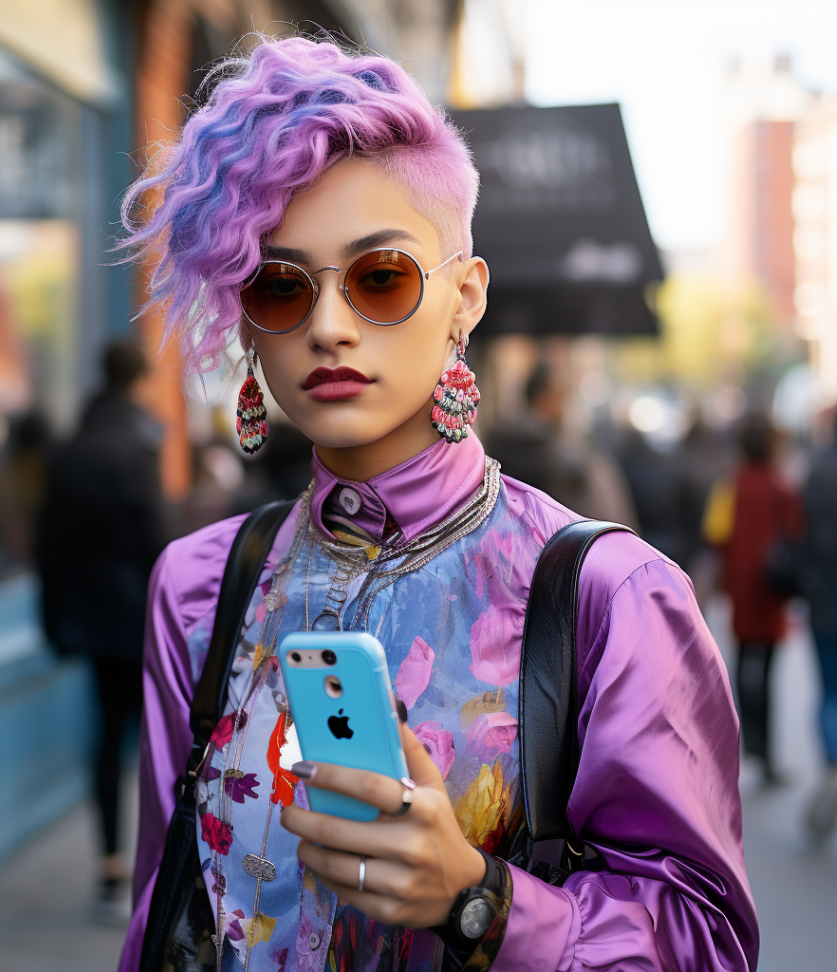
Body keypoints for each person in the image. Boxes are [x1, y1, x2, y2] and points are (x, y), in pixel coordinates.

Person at [118, 36, 757, 971]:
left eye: (379, 278)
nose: (329, 327)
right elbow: (161, 908)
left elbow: (706, 943)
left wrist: (479, 900)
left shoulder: (610, 596)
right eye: (280, 286)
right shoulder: (201, 586)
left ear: (464, 298)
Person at [37, 339, 166, 920]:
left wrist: (54, 619)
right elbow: (158, 547)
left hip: (88, 618)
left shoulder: (69, 451)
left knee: (107, 736)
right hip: (139, 618)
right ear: (138, 382)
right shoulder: (137, 449)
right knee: (157, 742)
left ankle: (111, 865)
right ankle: (156, 865)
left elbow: (47, 546)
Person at [704, 414, 804, 785]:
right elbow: (796, 536)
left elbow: (716, 534)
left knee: (743, 661)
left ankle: (748, 744)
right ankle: (766, 751)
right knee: (769, 671)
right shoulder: (783, 488)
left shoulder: (730, 485)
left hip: (741, 588)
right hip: (772, 591)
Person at [487, 361, 639, 528]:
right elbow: (614, 523)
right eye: (563, 395)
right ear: (547, 399)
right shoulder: (576, 459)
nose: (566, 404)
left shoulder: (498, 448)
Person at [800, 410, 837, 838]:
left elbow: (802, 535)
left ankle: (832, 764)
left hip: (825, 599)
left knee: (829, 691)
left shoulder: (816, 471)